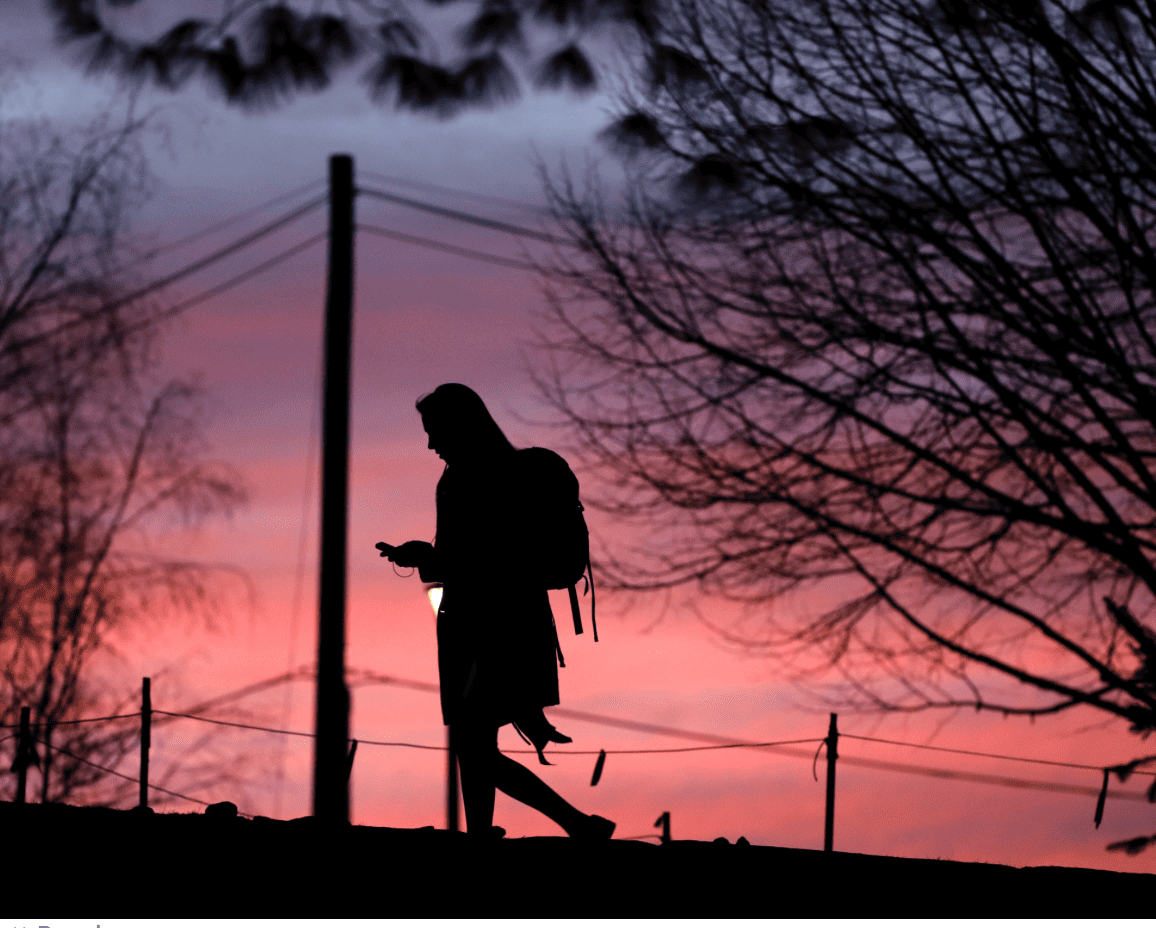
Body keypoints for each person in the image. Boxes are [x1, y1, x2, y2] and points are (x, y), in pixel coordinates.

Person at [379, 383, 616, 842]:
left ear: (461, 426)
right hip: (496, 622)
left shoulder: (473, 480)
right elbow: (472, 559)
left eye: (435, 431)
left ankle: (573, 825)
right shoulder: (475, 477)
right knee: (475, 740)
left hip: (493, 627)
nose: (430, 444)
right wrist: (426, 557)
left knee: (472, 741)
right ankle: (489, 831)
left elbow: (480, 561)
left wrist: (427, 558)